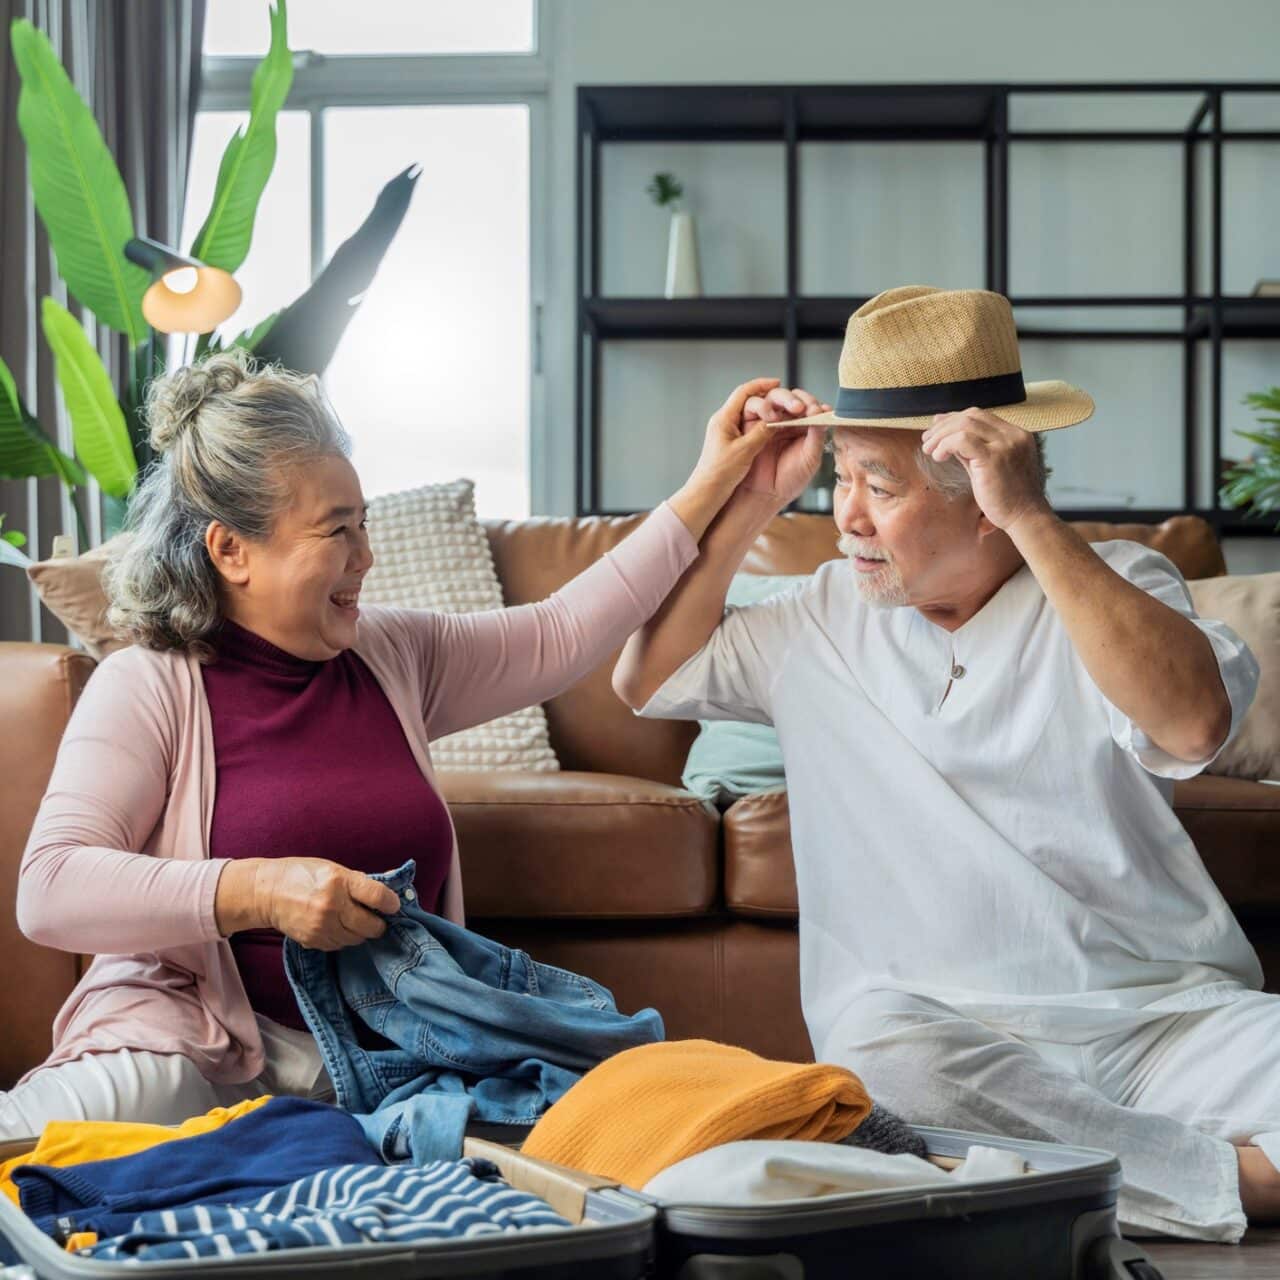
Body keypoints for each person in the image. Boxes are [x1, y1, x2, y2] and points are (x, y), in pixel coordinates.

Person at [7, 348, 829, 1139]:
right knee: (45, 1152)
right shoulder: (149, 683)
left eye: (363, 523)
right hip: (194, 1048)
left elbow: (564, 632)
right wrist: (258, 890)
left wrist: (721, 482)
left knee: (620, 1125)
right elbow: (49, 889)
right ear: (231, 550)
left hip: (392, 1066)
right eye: (337, 531)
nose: (366, 557)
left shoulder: (392, 654)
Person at [614, 285, 1279, 1243]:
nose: (845, 517)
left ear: (985, 500)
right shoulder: (818, 617)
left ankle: (1056, 1172)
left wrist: (1033, 516)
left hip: (1165, 1023)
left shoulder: (1117, 584)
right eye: (839, 478)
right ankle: (1237, 1180)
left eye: (879, 487)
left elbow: (1189, 726)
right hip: (941, 1041)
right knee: (882, 1068)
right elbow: (646, 678)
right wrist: (745, 493)